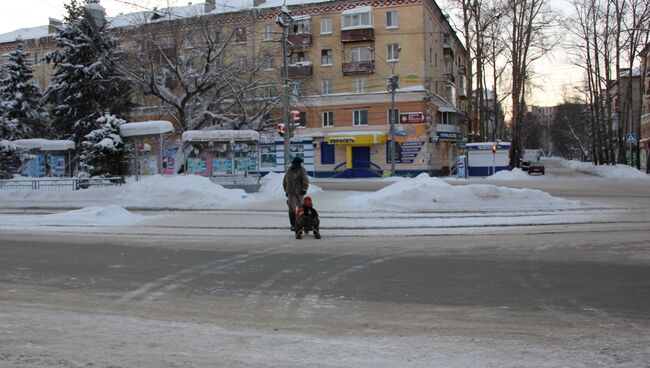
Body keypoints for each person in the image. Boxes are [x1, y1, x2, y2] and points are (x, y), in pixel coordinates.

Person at [283, 156, 309, 231]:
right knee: (292, 209)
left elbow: (306, 180)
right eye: (296, 164)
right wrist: (286, 191)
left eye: (298, 164)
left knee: (301, 208)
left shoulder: (302, 170)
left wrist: (304, 189)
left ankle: (303, 223)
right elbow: (285, 181)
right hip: (291, 193)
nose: (297, 165)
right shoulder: (289, 171)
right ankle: (293, 225)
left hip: (300, 193)